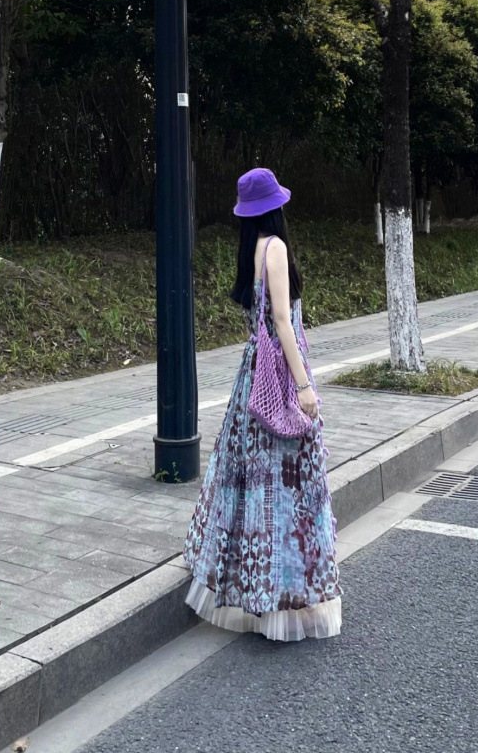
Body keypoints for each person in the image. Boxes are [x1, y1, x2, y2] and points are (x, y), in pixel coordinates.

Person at [182, 167, 343, 642]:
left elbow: (260, 322)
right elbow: (282, 321)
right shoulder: (276, 248)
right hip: (278, 378)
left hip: (251, 379)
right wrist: (304, 386)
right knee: (288, 485)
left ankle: (250, 586)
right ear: (276, 208)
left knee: (246, 483)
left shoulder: (251, 249)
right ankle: (284, 594)